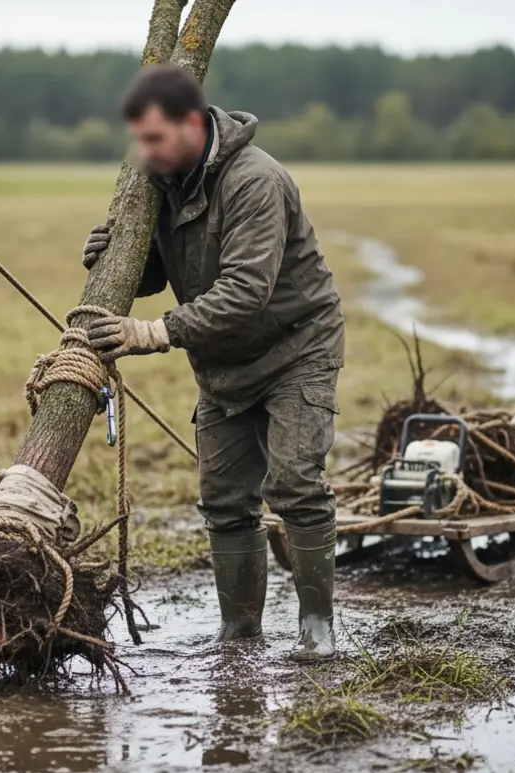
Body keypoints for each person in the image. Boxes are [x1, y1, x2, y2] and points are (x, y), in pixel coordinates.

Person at [81, 64, 346, 659]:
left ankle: (317, 627)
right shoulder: (158, 178)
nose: (143, 152)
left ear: (193, 124)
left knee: (296, 482)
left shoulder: (256, 180)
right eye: (139, 139)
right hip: (224, 362)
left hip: (296, 346)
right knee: (224, 498)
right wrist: (110, 253)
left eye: (154, 138)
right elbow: (161, 269)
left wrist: (154, 332)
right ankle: (239, 630)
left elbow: (246, 289)